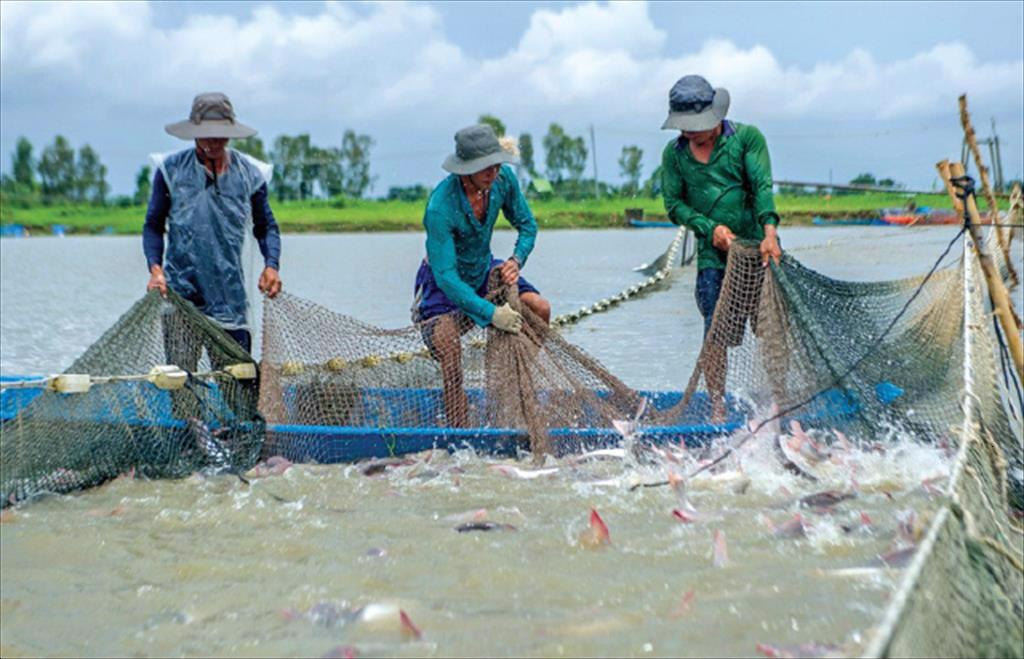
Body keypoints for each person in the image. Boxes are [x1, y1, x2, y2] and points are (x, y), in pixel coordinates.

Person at [659, 75, 782, 422]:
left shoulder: (746, 139)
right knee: (714, 334)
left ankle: (779, 403)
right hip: (714, 258)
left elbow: (762, 187)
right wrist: (709, 229)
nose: (689, 133)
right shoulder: (675, 156)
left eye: (695, 126)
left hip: (759, 251)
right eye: (684, 127)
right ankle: (717, 406)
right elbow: (673, 205)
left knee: (771, 330)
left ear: (715, 116)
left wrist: (769, 233)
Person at [413, 124, 551, 427]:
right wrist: (491, 313)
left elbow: (527, 226)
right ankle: (458, 431)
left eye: (497, 164)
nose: (494, 172)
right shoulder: (441, 206)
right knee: (448, 346)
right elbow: (447, 277)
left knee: (540, 309)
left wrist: (516, 260)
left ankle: (509, 396)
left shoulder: (503, 181)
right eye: (485, 167)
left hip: (484, 268)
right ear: (466, 171)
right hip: (441, 284)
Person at [143, 92, 282, 358]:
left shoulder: (249, 174)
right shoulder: (171, 170)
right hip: (181, 298)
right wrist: (156, 269)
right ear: (194, 133)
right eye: (207, 134)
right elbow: (153, 226)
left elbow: (266, 227)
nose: (214, 141)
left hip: (230, 299)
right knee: (181, 384)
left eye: (220, 134)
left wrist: (271, 265)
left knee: (237, 383)